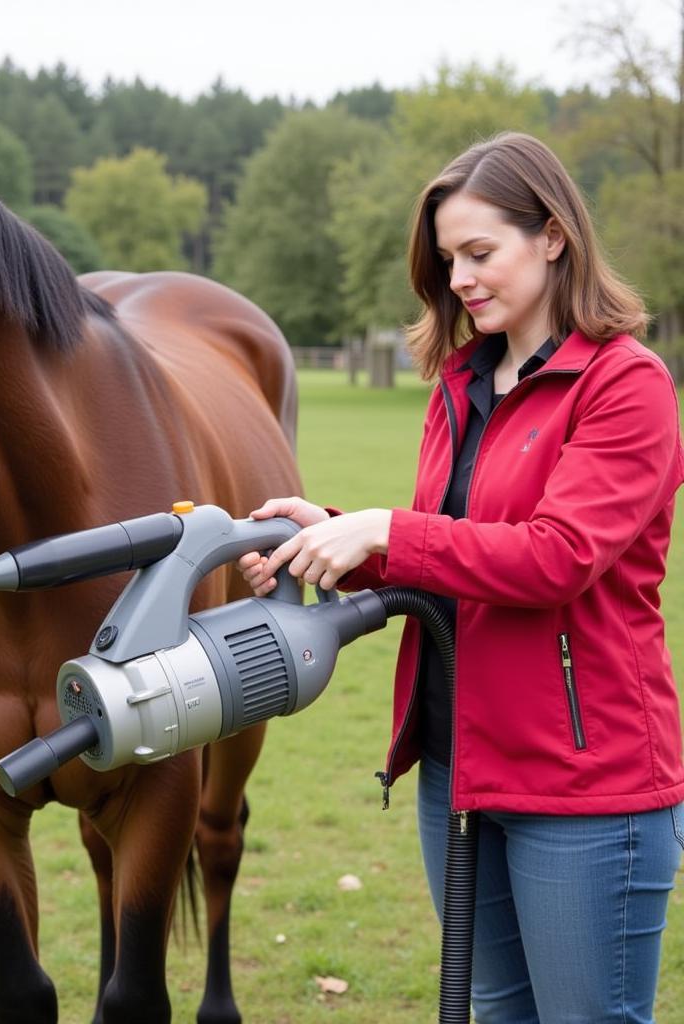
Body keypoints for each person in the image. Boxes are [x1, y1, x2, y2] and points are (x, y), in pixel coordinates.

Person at [240, 132, 684, 1023]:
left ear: (553, 235)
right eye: (449, 260)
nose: (461, 278)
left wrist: (389, 531)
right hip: (458, 759)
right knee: (497, 1010)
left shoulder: (626, 386)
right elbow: (458, 548)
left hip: (583, 781)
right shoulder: (461, 380)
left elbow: (554, 556)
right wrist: (330, 539)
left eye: (481, 252)